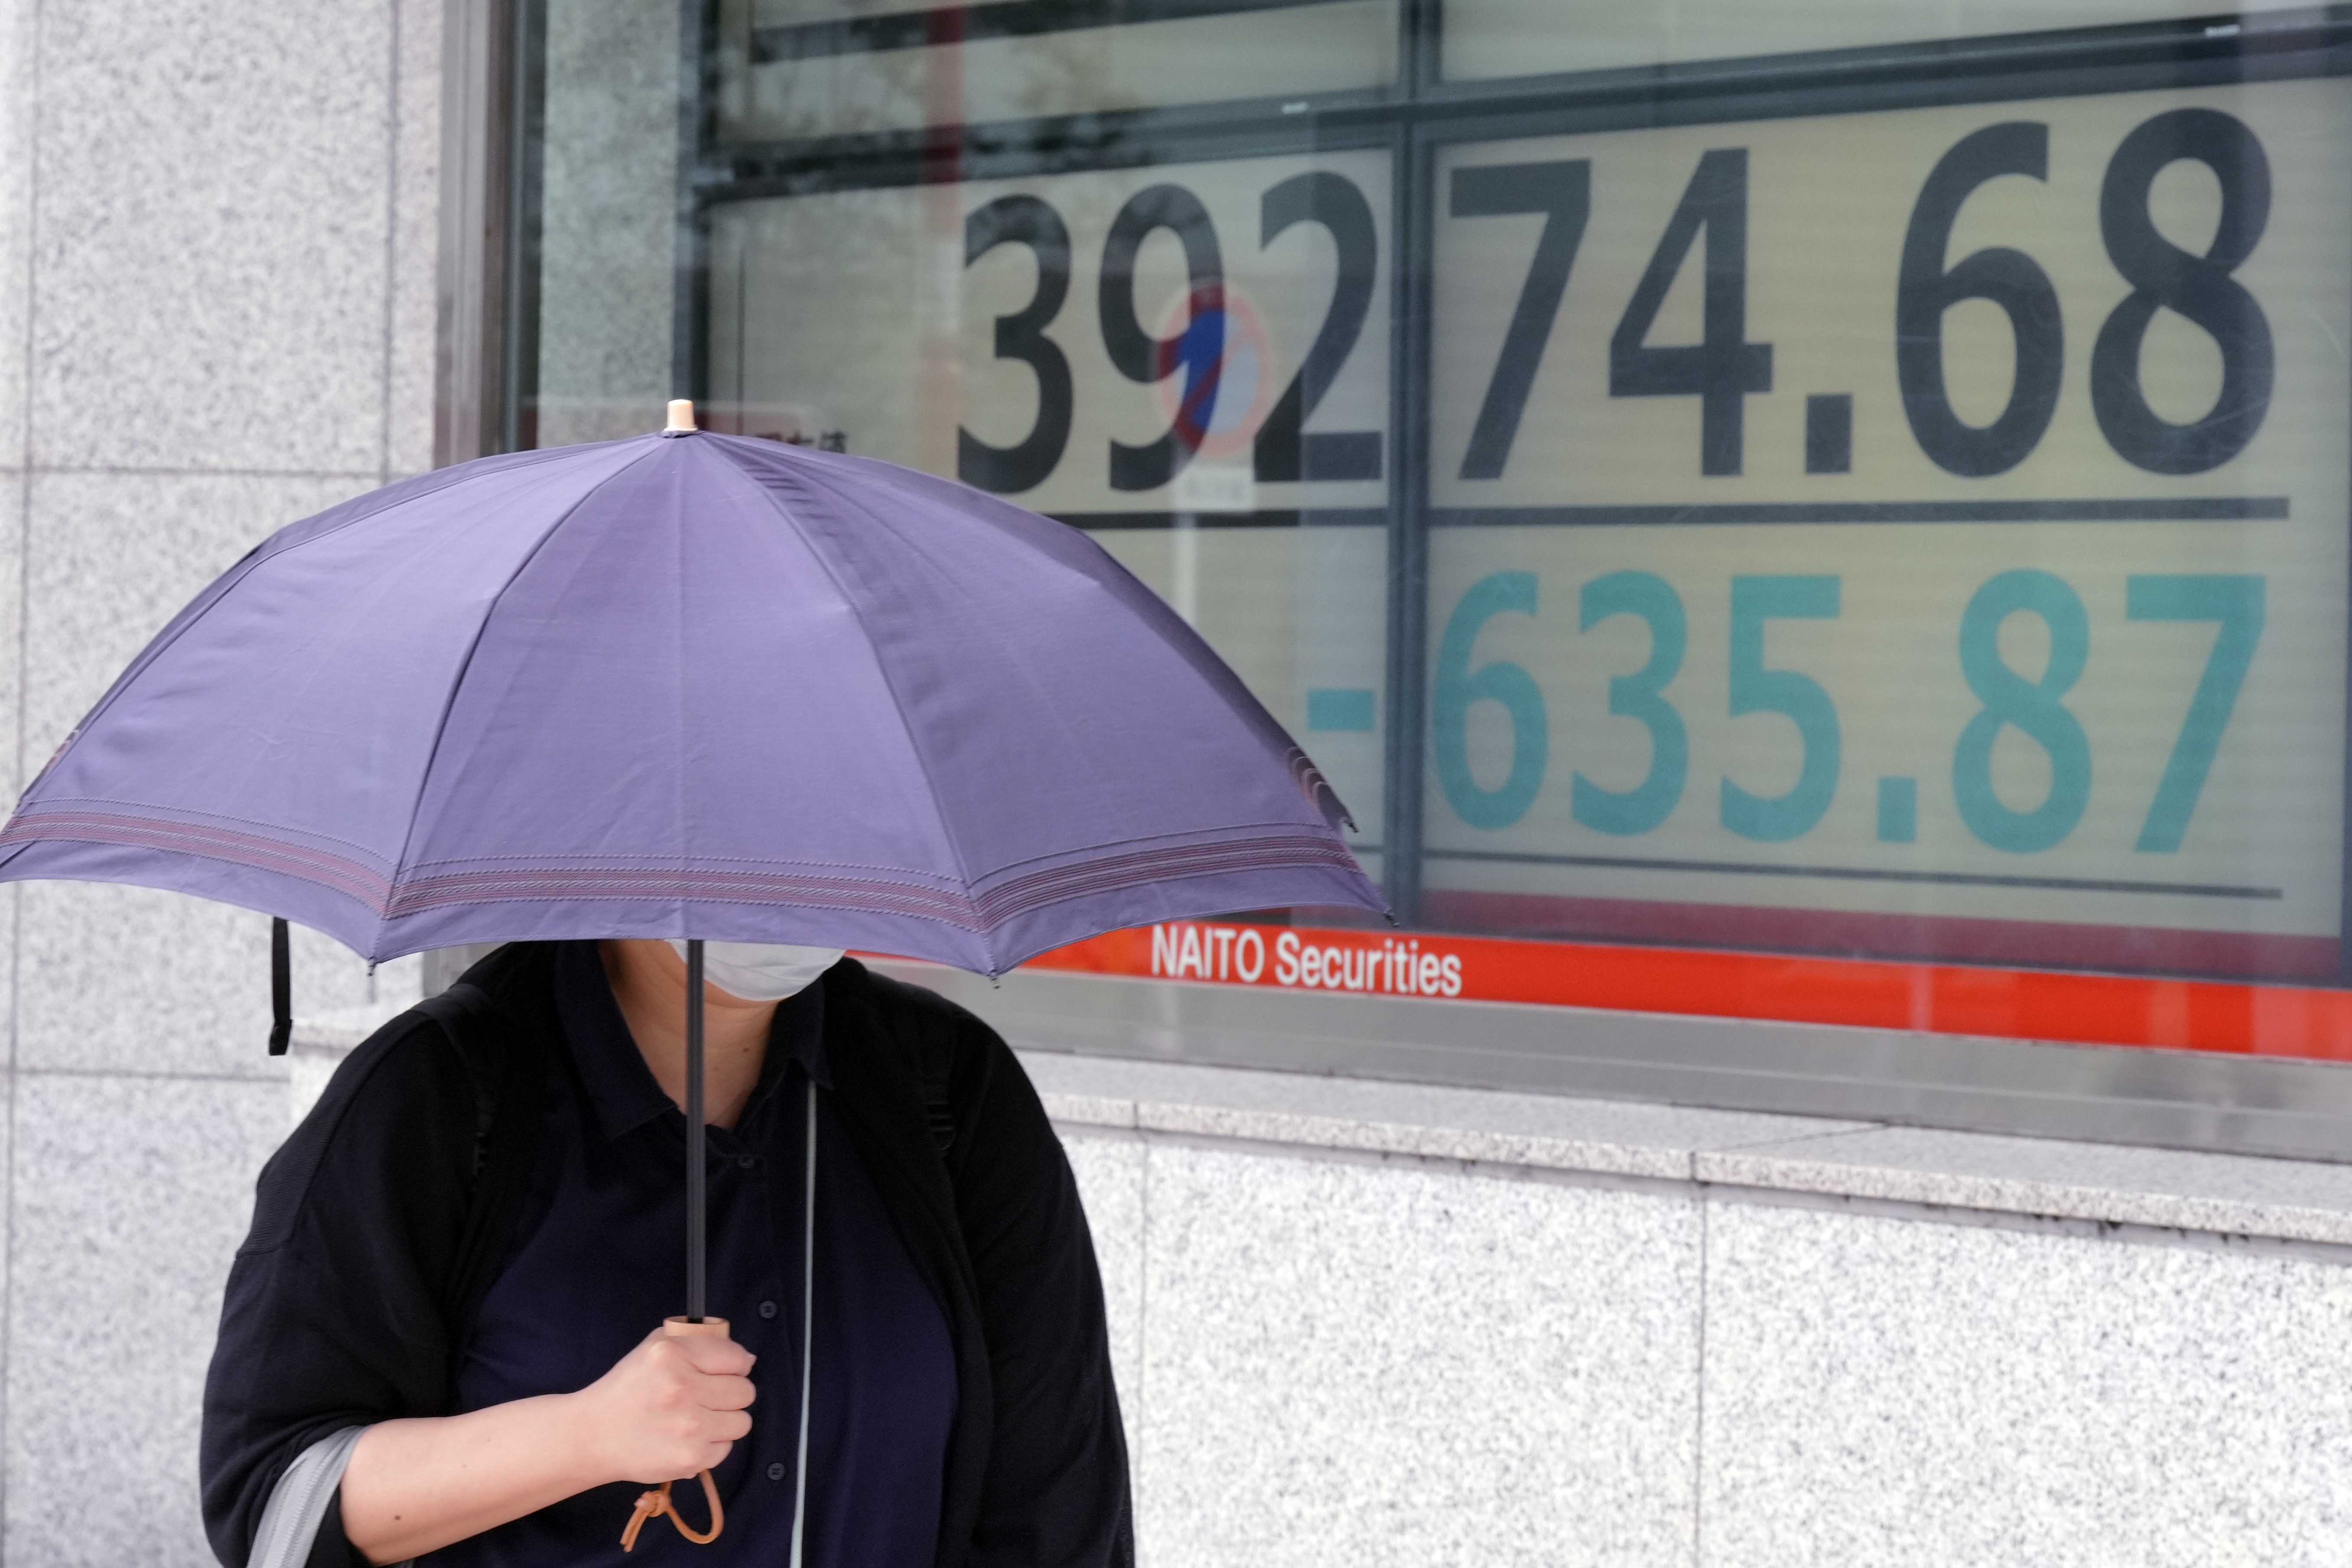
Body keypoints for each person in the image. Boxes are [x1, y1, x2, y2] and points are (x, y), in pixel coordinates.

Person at [201, 938, 1132, 1567]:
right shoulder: (438, 1096)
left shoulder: (949, 1095)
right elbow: (276, 1492)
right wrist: (583, 1435)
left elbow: (1057, 1514)